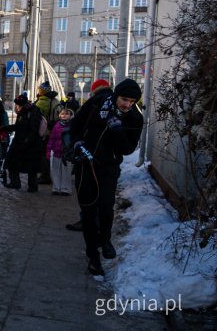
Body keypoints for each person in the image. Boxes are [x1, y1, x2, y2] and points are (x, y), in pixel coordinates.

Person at [70, 78, 144, 276]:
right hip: (85, 165)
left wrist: (118, 131)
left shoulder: (135, 118)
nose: (127, 104)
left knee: (105, 207)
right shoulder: (98, 102)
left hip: (108, 168)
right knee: (87, 211)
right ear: (115, 95)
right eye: (124, 99)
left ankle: (105, 239)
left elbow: (128, 149)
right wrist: (77, 142)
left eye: (132, 101)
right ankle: (93, 256)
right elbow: (76, 123)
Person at [64, 79, 112, 232]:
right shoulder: (115, 103)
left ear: (94, 90)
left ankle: (88, 221)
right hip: (108, 159)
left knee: (87, 192)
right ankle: (98, 225)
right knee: (103, 194)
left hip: (88, 155)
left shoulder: (94, 102)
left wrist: (76, 143)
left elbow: (77, 124)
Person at [3, 94, 45, 192]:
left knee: (31, 167)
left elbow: (34, 130)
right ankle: (15, 183)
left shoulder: (33, 112)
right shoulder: (22, 112)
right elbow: (19, 126)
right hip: (19, 142)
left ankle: (32, 186)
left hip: (30, 145)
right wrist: (5, 128)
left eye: (18, 105)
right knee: (11, 162)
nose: (16, 107)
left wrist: (27, 142)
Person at [35, 81, 62, 184]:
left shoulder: (42, 102)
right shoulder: (56, 101)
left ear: (42, 91)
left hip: (45, 133)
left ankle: (45, 176)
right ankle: (52, 175)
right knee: (52, 155)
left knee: (43, 154)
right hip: (55, 131)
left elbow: (37, 117)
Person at [46, 108, 74, 196]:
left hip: (67, 153)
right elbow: (52, 138)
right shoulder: (57, 125)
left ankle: (66, 189)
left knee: (66, 171)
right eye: (62, 114)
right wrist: (48, 149)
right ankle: (56, 188)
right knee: (55, 170)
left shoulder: (73, 126)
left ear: (70, 116)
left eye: (66, 114)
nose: (64, 115)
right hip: (57, 152)